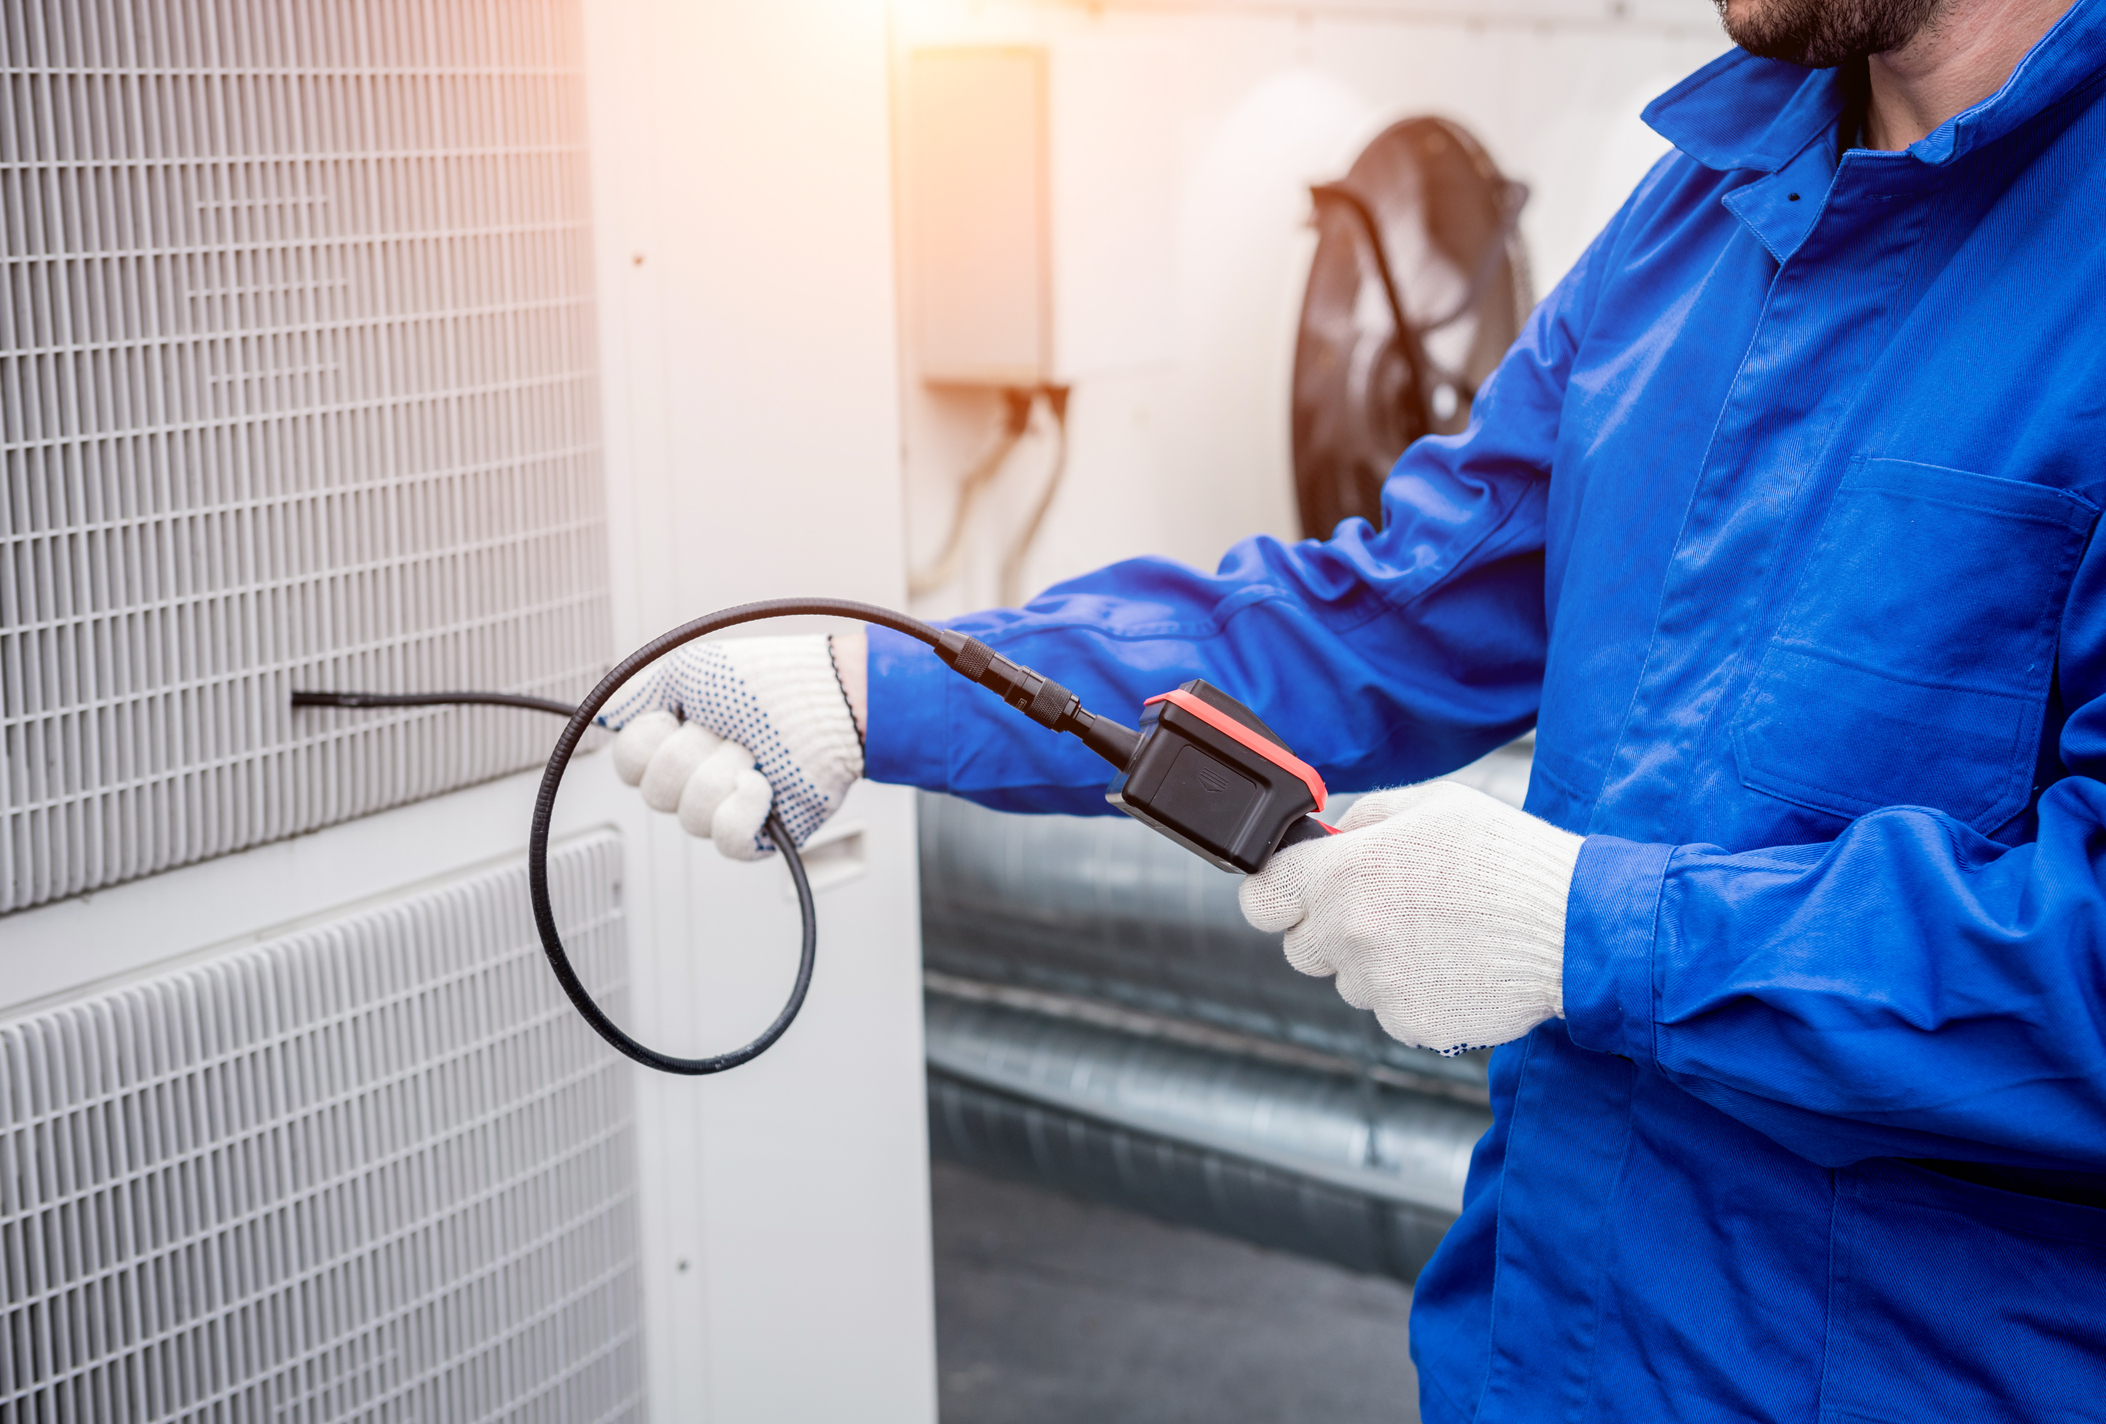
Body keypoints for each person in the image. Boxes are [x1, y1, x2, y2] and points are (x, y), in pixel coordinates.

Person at [602, 0, 2106, 1416]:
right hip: (1541, 1348)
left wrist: (1585, 930)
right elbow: (1383, 613)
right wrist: (877, 687)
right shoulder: (1695, 221)